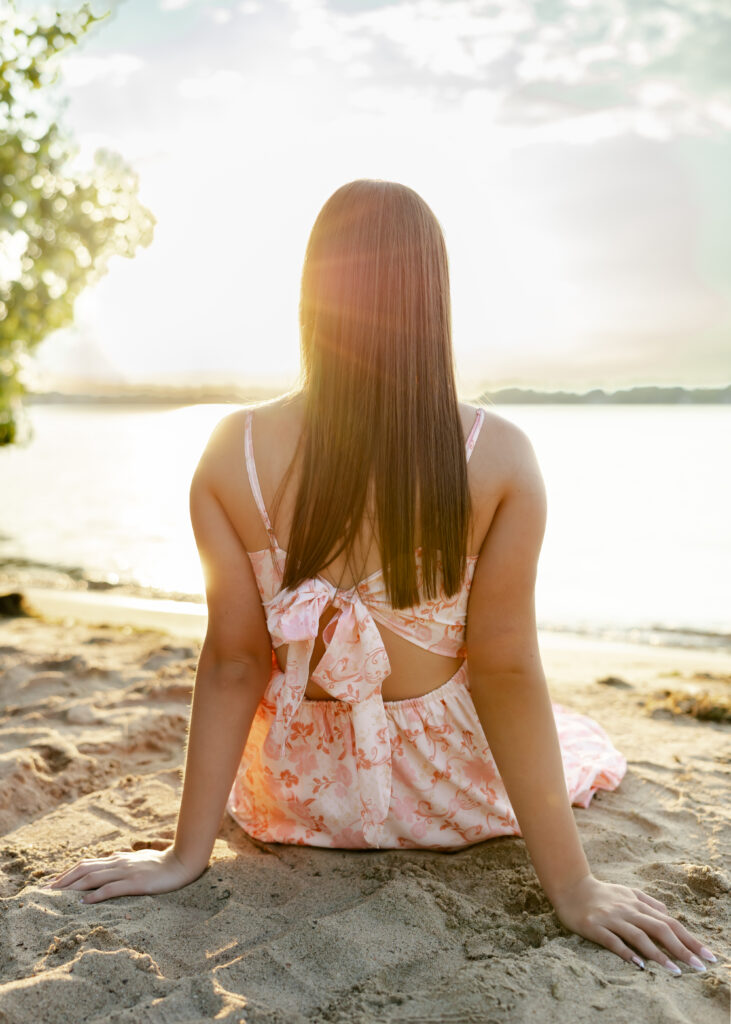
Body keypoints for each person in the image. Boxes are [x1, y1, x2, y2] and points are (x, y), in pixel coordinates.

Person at [45, 180, 716, 976]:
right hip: (448, 796)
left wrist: (182, 854)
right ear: (431, 298)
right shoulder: (498, 454)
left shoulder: (233, 450)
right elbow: (503, 670)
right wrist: (571, 885)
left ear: (311, 294)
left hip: (295, 797)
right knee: (567, 735)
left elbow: (232, 661)